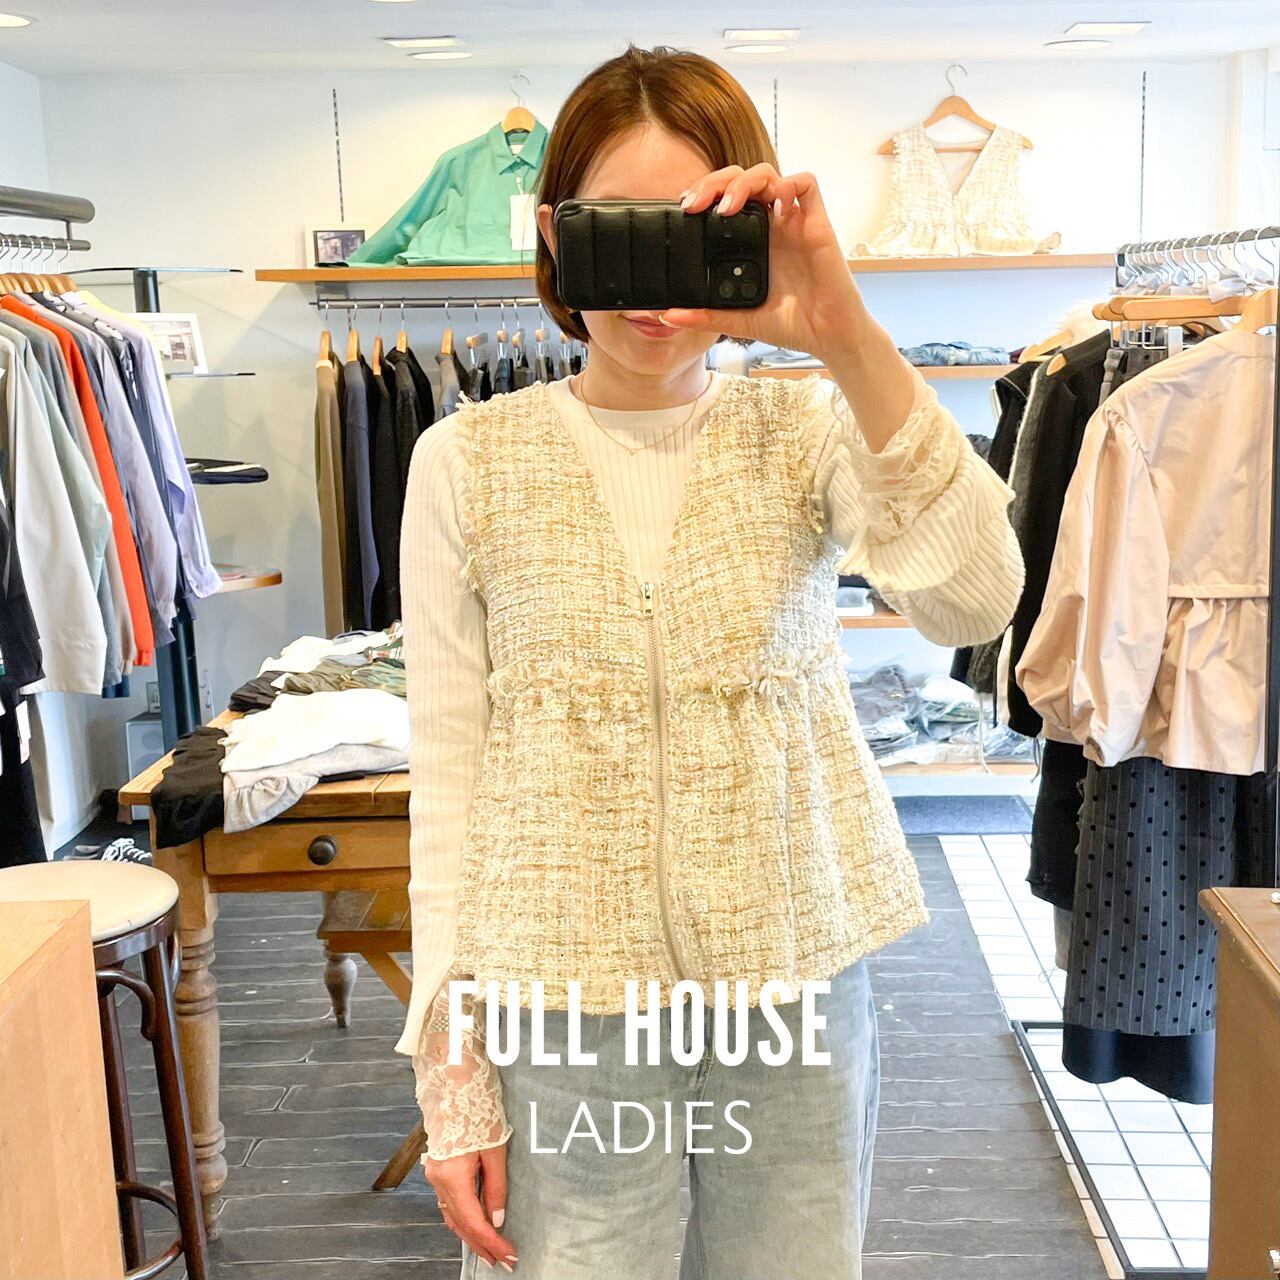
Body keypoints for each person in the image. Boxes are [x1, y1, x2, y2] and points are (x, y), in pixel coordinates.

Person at [398, 44, 1024, 1279]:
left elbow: (972, 596)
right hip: (560, 1001)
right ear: (554, 235)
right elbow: (452, 777)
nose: (655, 284)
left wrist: (840, 329)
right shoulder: (464, 460)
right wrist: (450, 1062)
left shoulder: (812, 426)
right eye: (617, 228)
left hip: (788, 983)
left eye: (692, 231)